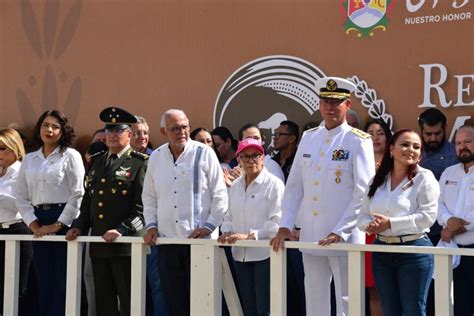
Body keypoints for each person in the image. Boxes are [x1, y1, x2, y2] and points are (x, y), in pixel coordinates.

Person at [271, 77, 375, 315]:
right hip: (312, 233)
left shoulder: (358, 140)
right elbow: (295, 186)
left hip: (344, 236)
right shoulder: (309, 138)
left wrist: (342, 230)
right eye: (325, 101)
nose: (329, 107)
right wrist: (285, 224)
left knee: (348, 302)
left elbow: (363, 191)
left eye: (335, 102)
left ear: (347, 105)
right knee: (315, 299)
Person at [142, 109, 227, 316]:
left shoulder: (205, 152)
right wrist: (151, 226)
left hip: (201, 243)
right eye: (175, 128)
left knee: (203, 305)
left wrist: (208, 227)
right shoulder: (156, 158)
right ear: (163, 131)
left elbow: (220, 195)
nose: (182, 132)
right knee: (174, 304)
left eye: (185, 127)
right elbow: (149, 197)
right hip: (168, 242)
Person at [66, 107, 147, 316]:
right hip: (100, 245)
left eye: (117, 130)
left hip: (126, 246)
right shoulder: (99, 161)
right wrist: (78, 226)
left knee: (130, 302)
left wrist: (123, 229)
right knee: (104, 303)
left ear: (129, 134)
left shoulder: (139, 163)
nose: (111, 135)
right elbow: (89, 201)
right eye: (108, 130)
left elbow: (143, 208)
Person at [357, 129, 439, 316]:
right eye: (405, 144)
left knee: (413, 310)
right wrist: (370, 226)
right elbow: (362, 216)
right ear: (391, 149)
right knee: (389, 310)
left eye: (416, 147)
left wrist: (391, 223)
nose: (411, 149)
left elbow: (427, 217)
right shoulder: (377, 179)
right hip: (382, 252)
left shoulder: (425, 178)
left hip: (414, 251)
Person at [15, 110, 85, 316]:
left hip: (65, 219)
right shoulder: (30, 159)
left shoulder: (70, 156)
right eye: (45, 125)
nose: (49, 130)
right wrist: (34, 224)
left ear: (63, 131)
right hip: (38, 219)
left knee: (63, 281)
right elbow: (21, 196)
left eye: (55, 126)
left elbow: (78, 193)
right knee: (43, 279)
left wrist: (58, 225)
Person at [219, 138, 284, 316]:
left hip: (266, 255)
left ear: (263, 158)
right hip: (240, 255)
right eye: (245, 157)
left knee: (265, 309)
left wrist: (249, 236)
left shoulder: (274, 184)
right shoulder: (236, 186)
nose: (251, 161)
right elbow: (228, 216)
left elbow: (276, 224)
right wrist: (227, 232)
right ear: (238, 160)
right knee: (247, 308)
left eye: (255, 155)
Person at [437, 124, 474, 316]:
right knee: (459, 307)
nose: (462, 146)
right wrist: (448, 220)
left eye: (467, 141)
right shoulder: (448, 172)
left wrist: (454, 227)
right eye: (458, 143)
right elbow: (437, 203)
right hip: (453, 252)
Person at [270, 120, 306, 315]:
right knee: (285, 288)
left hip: (298, 232)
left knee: (302, 287)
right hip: (277, 233)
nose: (274, 138)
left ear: (292, 138)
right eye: (274, 134)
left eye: (279, 134)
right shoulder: (270, 161)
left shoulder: (301, 162)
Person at [0, 128, 33, 314]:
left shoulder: (23, 171)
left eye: (2, 148)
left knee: (18, 286)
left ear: (15, 148)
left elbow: (26, 205)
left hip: (16, 229)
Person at [364, 119, 392, 316]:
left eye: (380, 132)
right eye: (371, 132)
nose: (375, 137)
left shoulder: (397, 163)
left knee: (387, 290)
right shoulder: (357, 162)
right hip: (363, 232)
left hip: (388, 231)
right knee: (371, 290)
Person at [418, 108, 458, 181]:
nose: (433, 138)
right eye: (428, 134)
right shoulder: (413, 153)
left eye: (437, 133)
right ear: (421, 130)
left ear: (445, 128)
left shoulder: (456, 155)